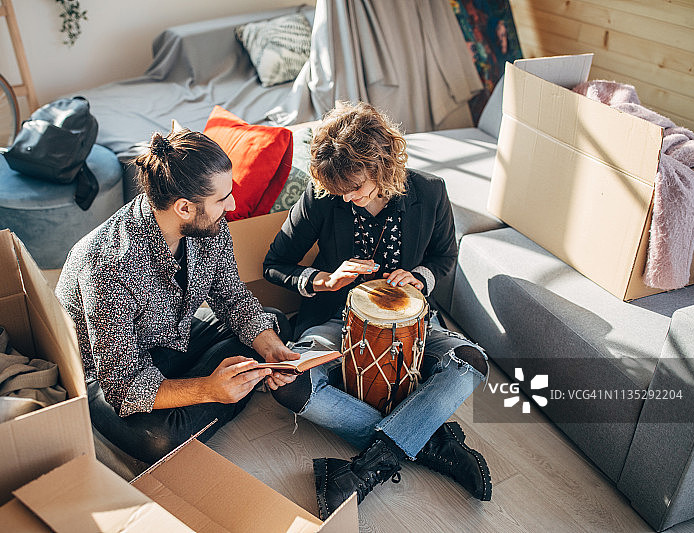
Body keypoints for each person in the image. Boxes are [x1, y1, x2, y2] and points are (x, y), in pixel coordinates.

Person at [263, 101, 492, 518]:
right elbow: (274, 264)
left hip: (414, 322)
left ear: (383, 162)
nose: (348, 198)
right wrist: (321, 280)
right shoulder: (323, 198)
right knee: (288, 383)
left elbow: (445, 255)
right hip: (337, 317)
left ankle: (368, 467)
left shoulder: (430, 191)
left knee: (471, 361)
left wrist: (421, 277)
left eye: (356, 187)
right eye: (339, 191)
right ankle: (431, 441)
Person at [56, 128, 298, 465]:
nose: (231, 205)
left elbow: (230, 295)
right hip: (107, 373)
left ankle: (202, 390)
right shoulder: (108, 266)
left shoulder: (206, 222)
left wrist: (272, 350)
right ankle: (208, 392)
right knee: (160, 441)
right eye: (222, 199)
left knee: (274, 327)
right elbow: (122, 384)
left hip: (170, 338)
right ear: (184, 207)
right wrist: (209, 389)